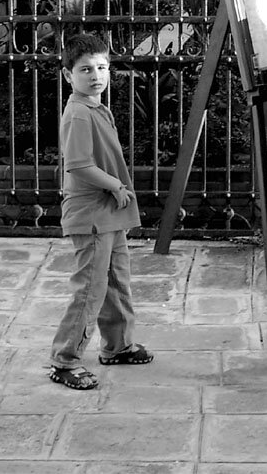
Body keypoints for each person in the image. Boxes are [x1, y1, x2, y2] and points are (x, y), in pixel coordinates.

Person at [48, 33, 153, 390]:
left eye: (102, 67)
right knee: (91, 288)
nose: (96, 75)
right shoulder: (78, 113)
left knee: (115, 279)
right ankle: (65, 360)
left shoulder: (95, 106)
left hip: (107, 213)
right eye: (85, 69)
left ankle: (118, 346)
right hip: (92, 214)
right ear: (68, 76)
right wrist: (114, 185)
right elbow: (78, 165)